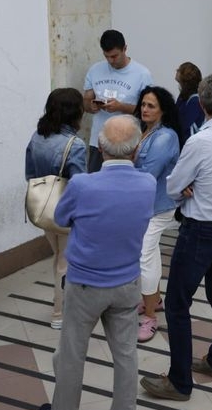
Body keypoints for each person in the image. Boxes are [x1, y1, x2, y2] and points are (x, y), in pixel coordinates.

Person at [37, 115, 155, 410]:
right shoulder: (147, 184)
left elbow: (61, 217)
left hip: (85, 284)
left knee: (73, 353)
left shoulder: (83, 185)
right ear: (136, 150)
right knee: (126, 355)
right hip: (127, 284)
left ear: (101, 148)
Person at [140, 74, 212, 401]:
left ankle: (179, 381)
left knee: (176, 304)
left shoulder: (200, 141)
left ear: (201, 104)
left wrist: (188, 187)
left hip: (200, 229)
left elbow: (174, 186)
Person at [25, 88, 87, 330]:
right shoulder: (76, 144)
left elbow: (29, 174)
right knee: (66, 262)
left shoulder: (37, 137)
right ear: (76, 112)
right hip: (67, 211)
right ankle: (60, 314)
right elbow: (80, 184)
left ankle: (59, 299)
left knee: (58, 258)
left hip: (42, 208)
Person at [133, 86, 181, 342]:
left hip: (160, 206)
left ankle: (150, 317)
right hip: (148, 205)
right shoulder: (148, 131)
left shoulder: (164, 137)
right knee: (149, 254)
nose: (144, 109)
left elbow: (147, 174)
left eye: (151, 105)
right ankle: (155, 299)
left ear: (163, 110)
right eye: (143, 104)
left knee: (144, 255)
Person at [83, 29, 152, 173]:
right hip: (99, 142)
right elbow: (86, 99)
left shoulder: (142, 74)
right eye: (107, 56)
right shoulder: (95, 70)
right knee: (95, 184)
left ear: (125, 49)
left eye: (115, 56)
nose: (111, 61)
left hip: (127, 143)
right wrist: (91, 106)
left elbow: (149, 110)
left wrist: (121, 107)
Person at [174, 62, 204, 148]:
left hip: (187, 145)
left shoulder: (194, 101)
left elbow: (185, 127)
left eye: (179, 70)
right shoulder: (184, 96)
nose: (176, 71)